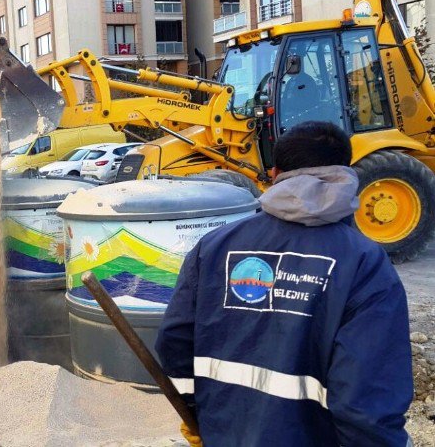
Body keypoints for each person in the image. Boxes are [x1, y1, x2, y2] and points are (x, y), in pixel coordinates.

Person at [156, 121, 413, 447]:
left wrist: (196, 412)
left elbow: (174, 341)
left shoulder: (215, 246)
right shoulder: (365, 263)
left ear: (275, 173)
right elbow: (367, 400)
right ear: (346, 174)